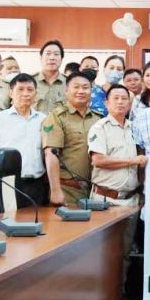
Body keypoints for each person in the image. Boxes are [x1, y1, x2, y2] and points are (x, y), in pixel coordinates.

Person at [88, 84, 146, 300]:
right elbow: (99, 160)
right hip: (105, 200)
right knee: (102, 252)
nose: (121, 102)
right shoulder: (99, 127)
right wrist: (133, 161)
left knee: (124, 251)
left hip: (130, 200)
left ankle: (119, 296)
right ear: (106, 103)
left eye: (125, 99)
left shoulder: (134, 128)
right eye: (116, 98)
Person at [0, 73, 48, 208]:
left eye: (30, 90)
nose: (26, 94)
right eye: (20, 89)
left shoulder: (43, 119)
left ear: (36, 93)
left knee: (36, 224)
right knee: (8, 224)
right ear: (11, 93)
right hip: (6, 184)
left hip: (36, 185)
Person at [42, 73, 103, 206]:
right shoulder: (57, 117)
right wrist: (55, 190)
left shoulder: (98, 119)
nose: (81, 91)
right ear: (66, 90)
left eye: (85, 87)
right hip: (67, 189)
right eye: (76, 87)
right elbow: (51, 154)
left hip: (93, 190)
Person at [34, 39, 67, 114]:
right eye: (48, 53)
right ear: (41, 57)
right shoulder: (29, 81)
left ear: (61, 59)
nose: (52, 58)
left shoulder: (70, 83)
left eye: (56, 54)